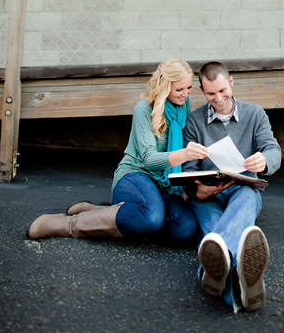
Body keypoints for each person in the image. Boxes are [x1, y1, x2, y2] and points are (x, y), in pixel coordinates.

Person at [27, 59, 205, 244]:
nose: (185, 94)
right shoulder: (143, 109)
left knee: (185, 228)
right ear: (165, 86)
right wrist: (184, 154)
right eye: (179, 90)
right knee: (151, 217)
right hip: (135, 175)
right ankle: (69, 224)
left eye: (188, 88)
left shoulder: (183, 105)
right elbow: (149, 160)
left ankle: (108, 214)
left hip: (164, 184)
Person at [182, 61, 281, 313]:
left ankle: (210, 273)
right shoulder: (194, 121)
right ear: (203, 92)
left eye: (223, 91)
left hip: (243, 188)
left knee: (221, 230)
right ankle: (248, 287)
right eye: (211, 94)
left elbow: (272, 148)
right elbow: (189, 169)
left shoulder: (255, 114)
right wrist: (197, 190)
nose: (219, 98)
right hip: (208, 194)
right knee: (215, 233)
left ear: (232, 82)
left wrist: (264, 160)